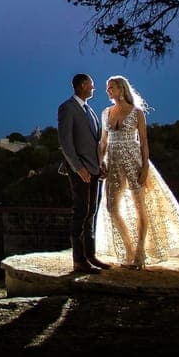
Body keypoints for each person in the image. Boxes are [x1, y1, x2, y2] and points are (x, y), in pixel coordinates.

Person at [96, 75, 179, 269]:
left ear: (121, 88)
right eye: (107, 88)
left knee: (139, 204)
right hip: (113, 161)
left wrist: (145, 167)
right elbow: (103, 141)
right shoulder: (106, 112)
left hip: (133, 160)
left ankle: (140, 252)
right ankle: (128, 249)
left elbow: (143, 142)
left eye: (111, 87)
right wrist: (100, 161)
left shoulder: (137, 112)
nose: (107, 91)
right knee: (111, 207)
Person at [57, 73, 111, 273]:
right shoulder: (67, 108)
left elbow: (96, 142)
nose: (93, 88)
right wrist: (78, 168)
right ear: (81, 86)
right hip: (80, 171)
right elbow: (66, 142)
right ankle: (79, 260)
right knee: (81, 212)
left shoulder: (89, 110)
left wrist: (100, 163)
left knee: (92, 213)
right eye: (91, 85)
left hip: (95, 169)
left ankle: (91, 256)